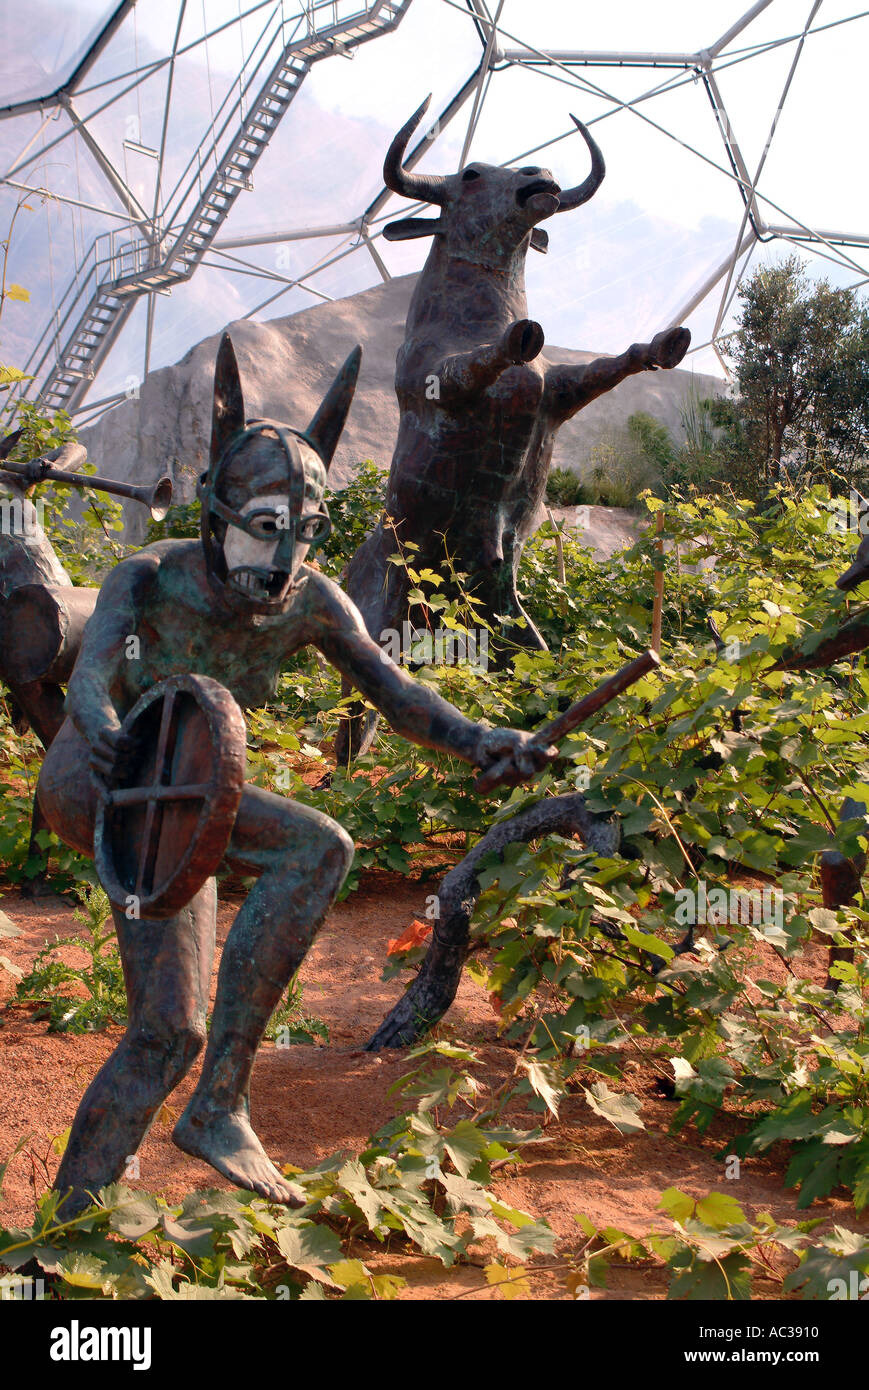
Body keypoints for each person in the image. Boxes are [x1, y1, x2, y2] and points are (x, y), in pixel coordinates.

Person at [36, 335, 554, 1212]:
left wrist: (477, 739)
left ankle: (184, 1132)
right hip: (99, 781)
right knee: (291, 876)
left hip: (188, 794)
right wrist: (100, 728)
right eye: (265, 530)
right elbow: (88, 683)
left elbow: (397, 692)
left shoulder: (310, 600)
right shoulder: (149, 580)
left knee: (173, 1027)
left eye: (304, 534)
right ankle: (81, 1227)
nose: (280, 561)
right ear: (216, 510)